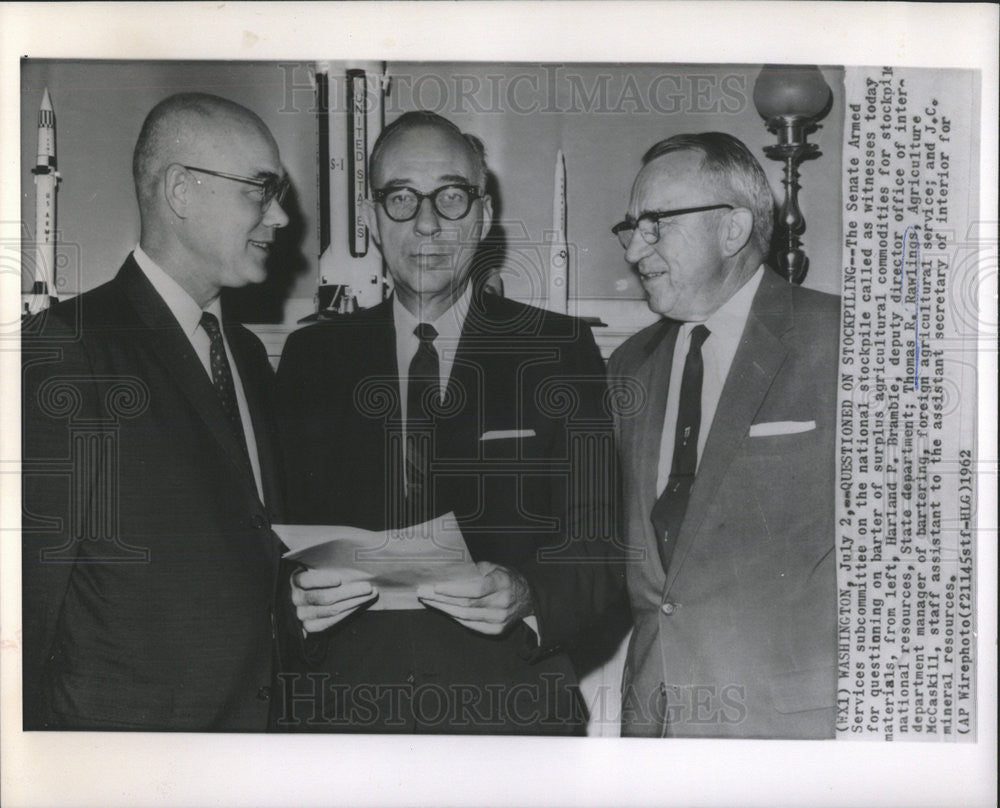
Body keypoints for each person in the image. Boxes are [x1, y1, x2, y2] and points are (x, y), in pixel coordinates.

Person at [275, 110, 623, 734]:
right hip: (345, 718)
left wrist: (530, 597)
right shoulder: (310, 358)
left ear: (483, 215)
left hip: (508, 712)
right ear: (370, 218)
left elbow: (600, 551)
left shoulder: (557, 349)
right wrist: (293, 601)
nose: (428, 223)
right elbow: (264, 547)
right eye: (401, 198)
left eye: (451, 197)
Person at [21, 92, 291, 730]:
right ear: (180, 190)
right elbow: (29, 597)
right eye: (261, 189)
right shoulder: (69, 346)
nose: (278, 216)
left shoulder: (246, 353)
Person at [607, 132, 839, 739]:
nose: (635, 250)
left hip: (789, 737)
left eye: (656, 223)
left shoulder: (845, 343)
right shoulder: (627, 367)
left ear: (733, 230)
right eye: (631, 227)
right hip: (654, 731)